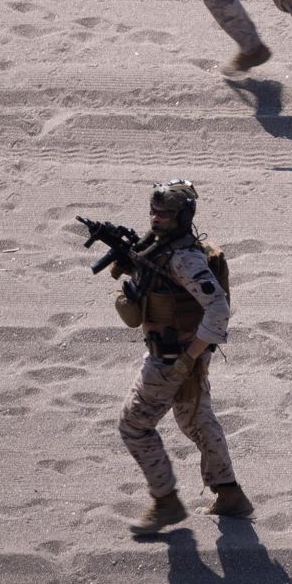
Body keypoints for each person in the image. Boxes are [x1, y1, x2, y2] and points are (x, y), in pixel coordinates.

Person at [111, 176, 253, 536]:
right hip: (182, 356)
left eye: (165, 214)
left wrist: (188, 359)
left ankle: (166, 501)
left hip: (171, 360)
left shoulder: (186, 260)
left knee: (134, 426)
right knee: (196, 421)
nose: (156, 219)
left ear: (183, 217)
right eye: (153, 211)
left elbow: (217, 309)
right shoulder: (166, 251)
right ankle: (229, 493)